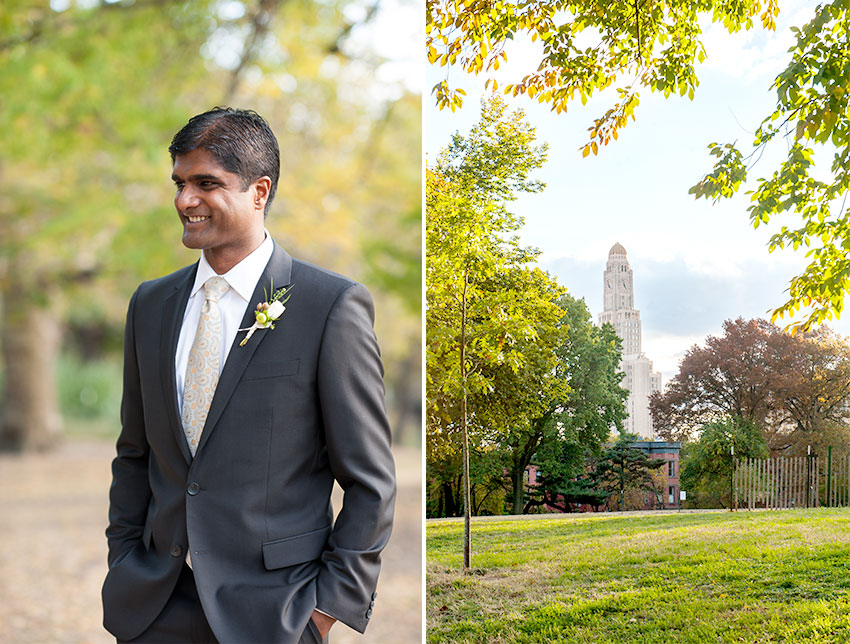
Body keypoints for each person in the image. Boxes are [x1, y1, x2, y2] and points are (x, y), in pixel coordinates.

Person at [101, 107, 396, 644]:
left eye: (206, 183)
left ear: (259, 192)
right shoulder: (150, 305)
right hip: (154, 606)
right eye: (180, 183)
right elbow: (135, 453)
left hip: (277, 613)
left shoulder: (330, 306)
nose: (184, 201)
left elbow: (370, 480)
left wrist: (326, 609)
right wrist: (123, 561)